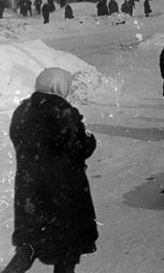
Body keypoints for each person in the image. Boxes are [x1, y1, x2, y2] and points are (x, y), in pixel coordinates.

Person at [5, 67, 98, 273]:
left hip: (30, 190)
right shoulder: (62, 112)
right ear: (59, 86)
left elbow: (18, 140)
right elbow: (79, 148)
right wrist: (90, 139)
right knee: (66, 252)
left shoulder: (23, 109)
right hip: (62, 192)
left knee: (28, 248)